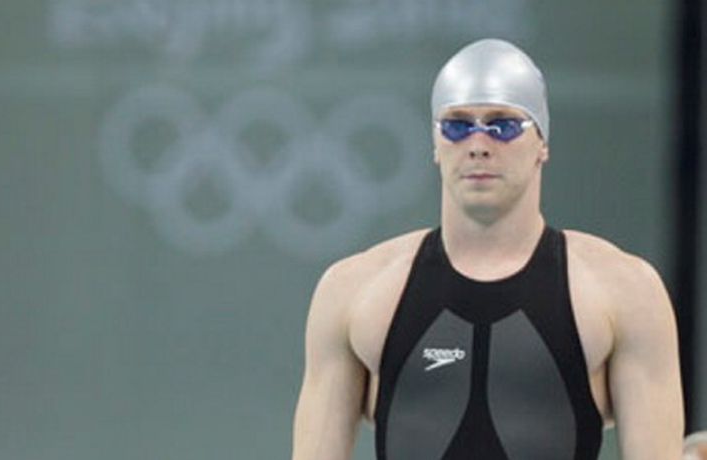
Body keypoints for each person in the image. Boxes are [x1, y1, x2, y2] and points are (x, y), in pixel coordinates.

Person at [291, 38, 684, 460]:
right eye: (457, 126)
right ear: (435, 144)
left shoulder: (626, 292)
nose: (478, 144)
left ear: (542, 143)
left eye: (503, 126)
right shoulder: (354, 291)